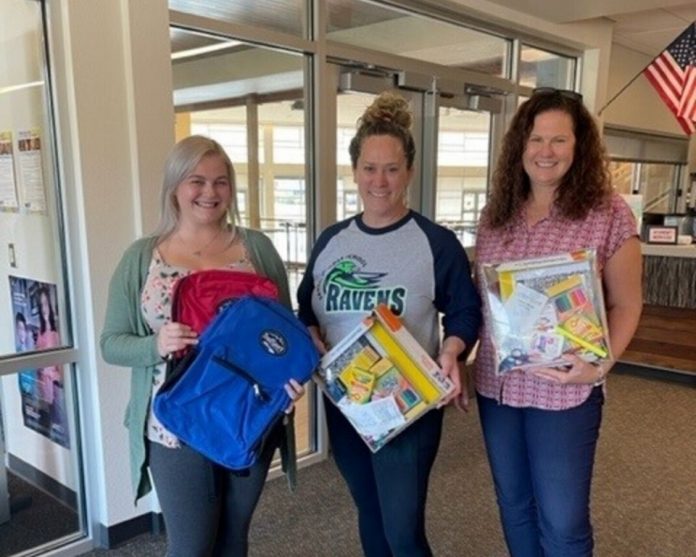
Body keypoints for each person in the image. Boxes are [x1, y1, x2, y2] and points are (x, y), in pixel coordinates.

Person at [100, 135, 305, 557]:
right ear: (175, 186)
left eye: (221, 181)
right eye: (197, 181)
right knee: (191, 547)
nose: (210, 193)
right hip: (175, 426)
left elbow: (285, 335)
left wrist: (289, 382)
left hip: (249, 418)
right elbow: (111, 344)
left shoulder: (257, 248)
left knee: (233, 541)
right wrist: (156, 344)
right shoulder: (142, 258)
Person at [297, 91, 481, 557]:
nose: (380, 181)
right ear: (355, 171)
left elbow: (465, 310)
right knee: (371, 519)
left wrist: (453, 349)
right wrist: (311, 334)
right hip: (348, 406)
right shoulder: (331, 242)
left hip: (409, 410)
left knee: (402, 532)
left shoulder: (435, 243)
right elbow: (306, 309)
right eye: (369, 168)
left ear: (410, 173)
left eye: (392, 169)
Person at [474, 88, 643, 557]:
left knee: (564, 520)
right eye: (535, 139)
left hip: (566, 390)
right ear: (519, 146)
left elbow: (627, 304)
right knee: (514, 505)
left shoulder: (607, 213)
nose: (544, 151)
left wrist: (602, 366)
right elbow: (484, 301)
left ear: (579, 146)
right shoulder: (495, 216)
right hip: (499, 386)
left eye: (558, 140)